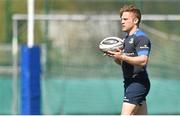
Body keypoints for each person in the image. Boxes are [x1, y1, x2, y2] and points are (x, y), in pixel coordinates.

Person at [105, 4, 151, 115]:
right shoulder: (125, 39)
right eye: (121, 19)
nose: (122, 22)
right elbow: (122, 62)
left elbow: (143, 60)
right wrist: (116, 56)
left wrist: (122, 56)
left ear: (135, 20)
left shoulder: (141, 38)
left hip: (138, 83)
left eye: (125, 19)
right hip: (129, 82)